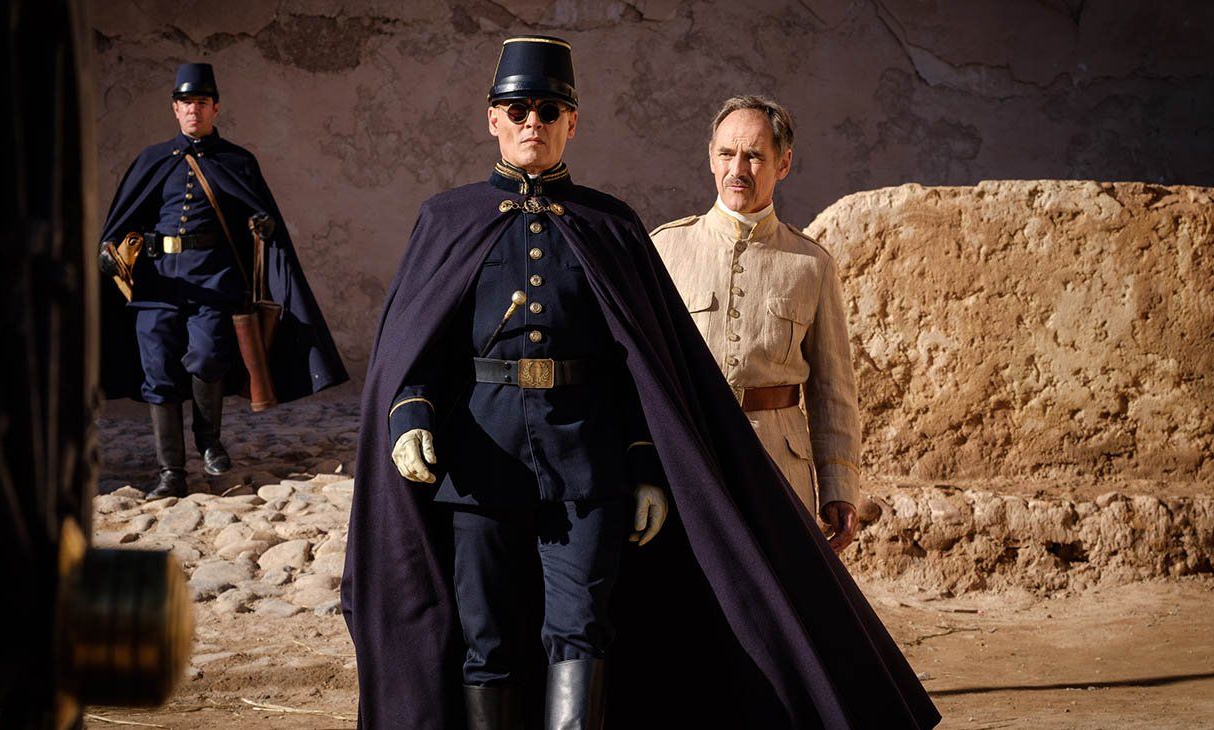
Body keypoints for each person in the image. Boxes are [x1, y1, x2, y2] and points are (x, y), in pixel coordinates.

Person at [343, 38, 939, 730]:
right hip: (481, 469)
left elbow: (638, 369)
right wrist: (409, 416)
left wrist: (645, 465)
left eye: (549, 109)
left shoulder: (612, 227)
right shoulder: (444, 220)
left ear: (572, 122)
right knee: (488, 640)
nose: (533, 121)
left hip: (587, 472)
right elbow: (417, 347)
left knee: (581, 631)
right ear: (492, 118)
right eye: (518, 109)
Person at [96, 63, 348, 499]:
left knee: (208, 356)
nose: (193, 110)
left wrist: (263, 226)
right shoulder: (151, 160)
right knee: (157, 371)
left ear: (215, 108)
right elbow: (124, 219)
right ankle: (171, 472)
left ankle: (209, 440)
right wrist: (109, 251)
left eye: (201, 102)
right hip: (157, 286)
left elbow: (257, 213)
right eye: (185, 102)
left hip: (214, 280)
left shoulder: (237, 162)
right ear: (175, 109)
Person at [651, 95, 861, 552]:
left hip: (778, 466)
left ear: (783, 164)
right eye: (726, 153)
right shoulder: (665, 250)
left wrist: (839, 485)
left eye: (754, 156)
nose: (737, 168)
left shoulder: (811, 264)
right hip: (690, 458)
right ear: (711, 158)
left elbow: (832, 390)